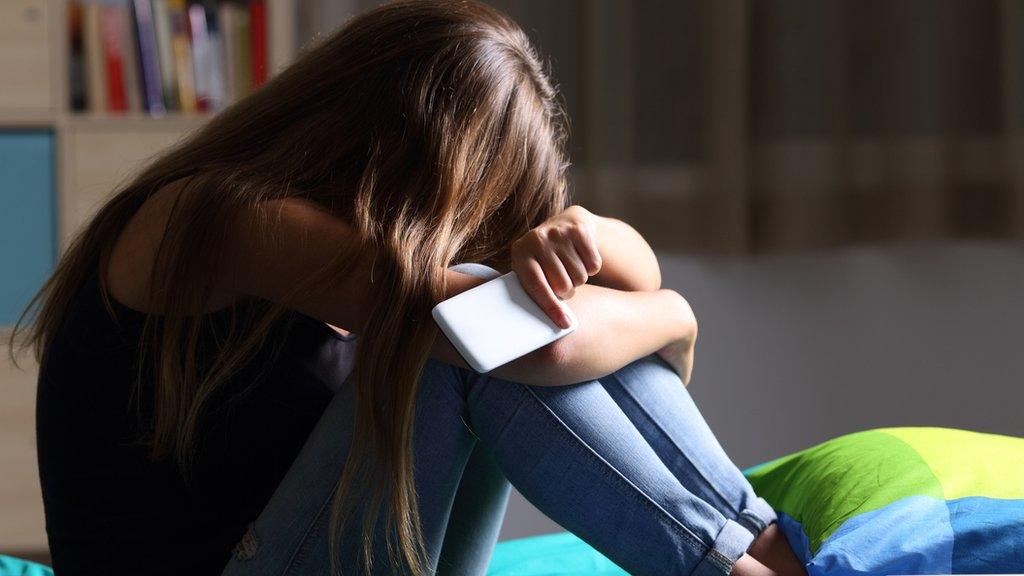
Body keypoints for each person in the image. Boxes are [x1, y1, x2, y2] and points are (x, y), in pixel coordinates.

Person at [13, 1, 807, 575]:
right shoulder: (225, 218)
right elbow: (533, 341)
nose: (469, 234)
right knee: (473, 344)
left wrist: (585, 234)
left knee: (499, 322)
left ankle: (762, 545)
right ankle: (744, 561)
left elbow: (626, 278)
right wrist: (673, 316)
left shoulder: (365, 239)